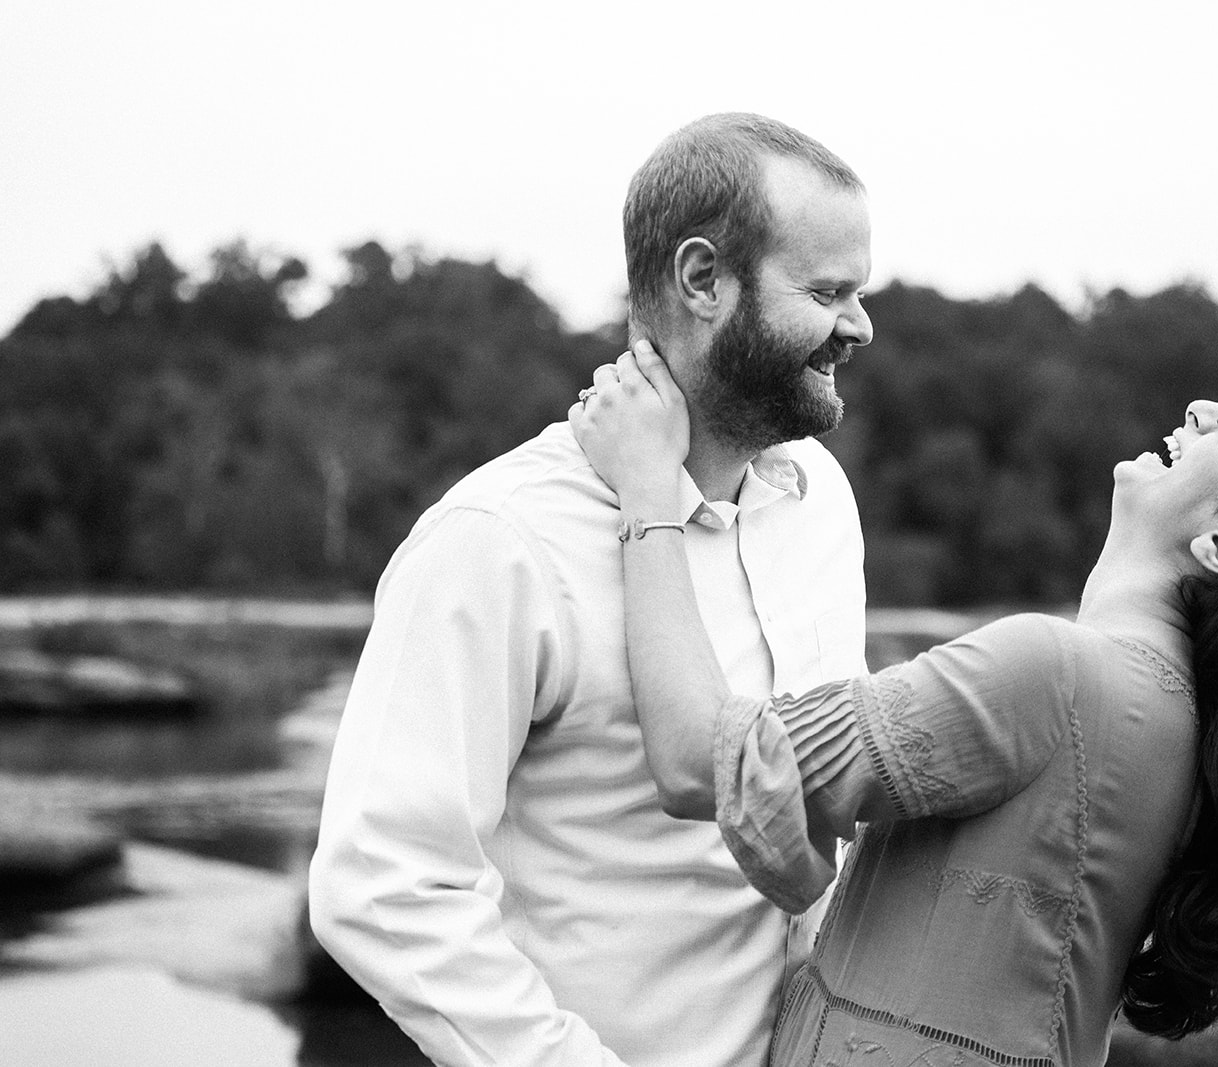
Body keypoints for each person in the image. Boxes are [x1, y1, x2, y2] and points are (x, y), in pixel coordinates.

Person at [571, 346, 1218, 1067]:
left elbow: (699, 759)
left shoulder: (1054, 677)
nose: (1206, 408)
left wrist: (649, 488)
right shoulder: (1180, 728)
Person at [307, 113, 875, 1067]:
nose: (859, 326)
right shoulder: (497, 540)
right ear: (703, 280)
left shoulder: (820, 502)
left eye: (859, 293)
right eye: (826, 292)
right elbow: (382, 884)